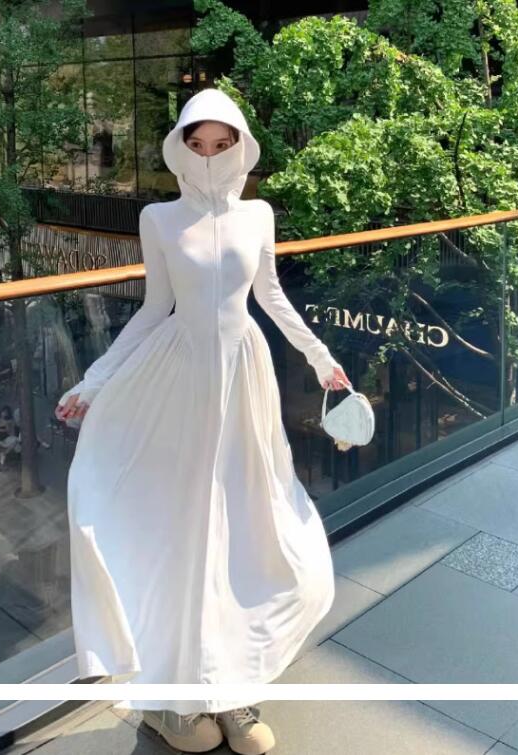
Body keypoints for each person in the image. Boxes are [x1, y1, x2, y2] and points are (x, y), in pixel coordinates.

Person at [54, 88, 350, 755]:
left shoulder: (258, 214)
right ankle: (176, 699)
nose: (210, 156)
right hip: (177, 382)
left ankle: (231, 689)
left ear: (240, 147)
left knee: (249, 526)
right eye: (197, 144)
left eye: (222, 144)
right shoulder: (158, 218)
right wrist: (94, 380)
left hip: (244, 381)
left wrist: (320, 356)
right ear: (180, 148)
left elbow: (270, 295)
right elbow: (153, 307)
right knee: (185, 531)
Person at [0, 405, 21, 471]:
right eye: (4, 412)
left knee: (15, 440)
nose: (5, 414)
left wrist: (7, 427)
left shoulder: (9, 420)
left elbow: (10, 432)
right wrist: (4, 429)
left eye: (6, 413)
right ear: (1, 411)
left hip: (5, 437)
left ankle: (3, 455)